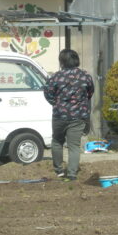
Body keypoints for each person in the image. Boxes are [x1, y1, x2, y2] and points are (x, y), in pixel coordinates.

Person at [44, 49, 94, 181]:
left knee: (57, 141)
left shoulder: (55, 77)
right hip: (78, 116)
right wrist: (81, 103)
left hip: (59, 115)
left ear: (62, 62)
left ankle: (59, 170)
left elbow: (48, 94)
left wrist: (57, 103)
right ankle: (72, 174)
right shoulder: (85, 76)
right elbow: (90, 93)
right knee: (74, 146)